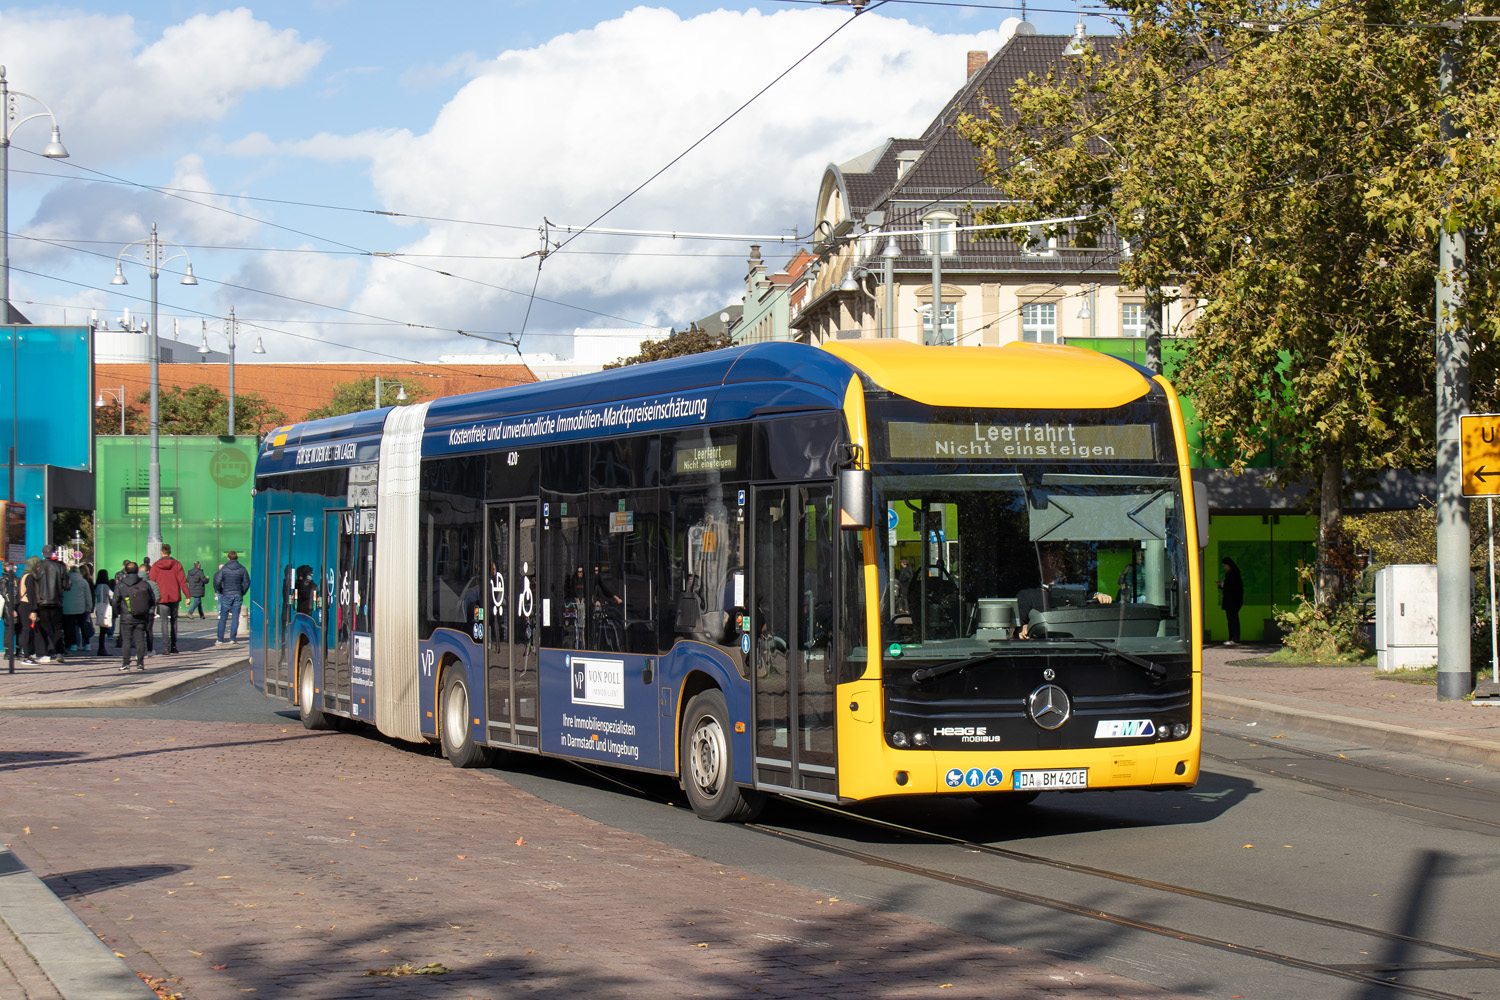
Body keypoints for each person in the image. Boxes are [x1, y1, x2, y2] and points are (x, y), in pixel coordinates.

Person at [112, 561, 155, 671]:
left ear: (125, 571)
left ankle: (126, 663)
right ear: (137, 571)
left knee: (126, 640)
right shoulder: (144, 584)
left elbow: (115, 601)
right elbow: (152, 599)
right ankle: (140, 663)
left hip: (126, 617)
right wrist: (145, 609)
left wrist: (117, 612)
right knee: (140, 639)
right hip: (141, 616)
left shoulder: (121, 585)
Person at [32, 545, 71, 663]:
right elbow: (67, 585)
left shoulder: (39, 567)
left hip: (42, 601)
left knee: (44, 628)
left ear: (43, 554)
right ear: (53, 553)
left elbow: (35, 584)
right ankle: (59, 652)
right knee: (57, 628)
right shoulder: (60, 567)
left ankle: (46, 652)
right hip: (56, 601)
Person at [149, 543, 189, 655]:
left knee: (164, 622)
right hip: (174, 595)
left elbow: (152, 582)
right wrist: (187, 595)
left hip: (161, 597)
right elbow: (182, 581)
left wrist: (152, 598)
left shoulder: (156, 566)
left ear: (161, 552)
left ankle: (166, 647)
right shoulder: (177, 564)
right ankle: (174, 646)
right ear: (170, 552)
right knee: (174, 621)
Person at [214, 550, 251, 645]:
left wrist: (220, 591)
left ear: (228, 558)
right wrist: (242, 592)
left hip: (226, 594)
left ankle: (220, 639)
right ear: (236, 558)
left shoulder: (224, 569)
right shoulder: (242, 569)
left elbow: (217, 581)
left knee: (223, 617)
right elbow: (247, 583)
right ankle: (232, 639)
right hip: (238, 594)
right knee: (235, 617)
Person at [62, 562, 92, 653]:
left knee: (70, 628)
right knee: (83, 627)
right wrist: (89, 607)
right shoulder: (83, 582)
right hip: (81, 608)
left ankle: (73, 645)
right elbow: (88, 596)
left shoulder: (65, 581)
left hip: (67, 608)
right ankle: (87, 644)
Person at [1218, 556, 1244, 647]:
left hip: (1233, 600)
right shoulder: (1230, 573)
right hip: (1231, 600)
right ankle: (1232, 638)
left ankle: (1235, 638)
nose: (1224, 567)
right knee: (1231, 619)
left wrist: (1224, 585)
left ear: (1229, 565)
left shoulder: (1234, 574)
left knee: (1233, 619)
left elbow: (1233, 587)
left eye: (1225, 565)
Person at [93, 569, 116, 657]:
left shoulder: (97, 586)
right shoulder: (105, 586)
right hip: (105, 607)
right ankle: (101, 648)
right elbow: (112, 595)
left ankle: (101, 648)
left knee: (101, 629)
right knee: (104, 629)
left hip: (98, 607)